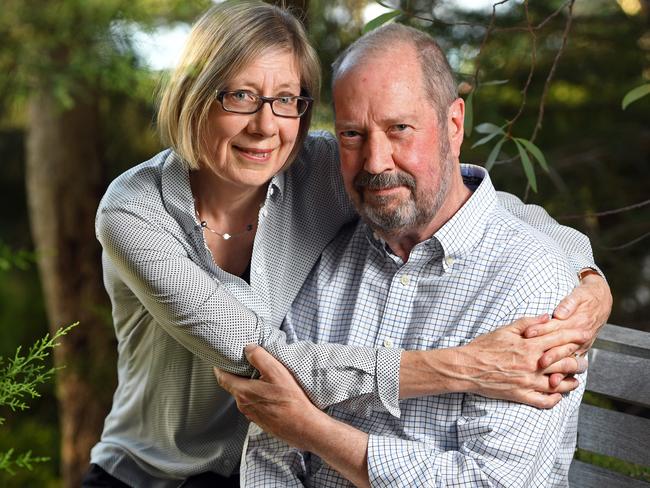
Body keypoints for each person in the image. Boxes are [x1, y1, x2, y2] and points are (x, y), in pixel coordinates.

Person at [86, 2, 610, 487]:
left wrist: (588, 280)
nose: (265, 125)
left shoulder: (318, 167)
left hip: (254, 467)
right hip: (151, 470)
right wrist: (463, 366)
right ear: (195, 94)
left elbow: (470, 200)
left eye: (286, 100)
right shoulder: (134, 209)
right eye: (240, 95)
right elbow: (256, 357)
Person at [218, 24, 596, 487]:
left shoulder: (532, 284)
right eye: (352, 135)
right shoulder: (327, 256)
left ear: (453, 125)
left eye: (399, 129)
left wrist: (313, 431)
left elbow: (491, 482)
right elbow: (272, 450)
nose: (375, 162)